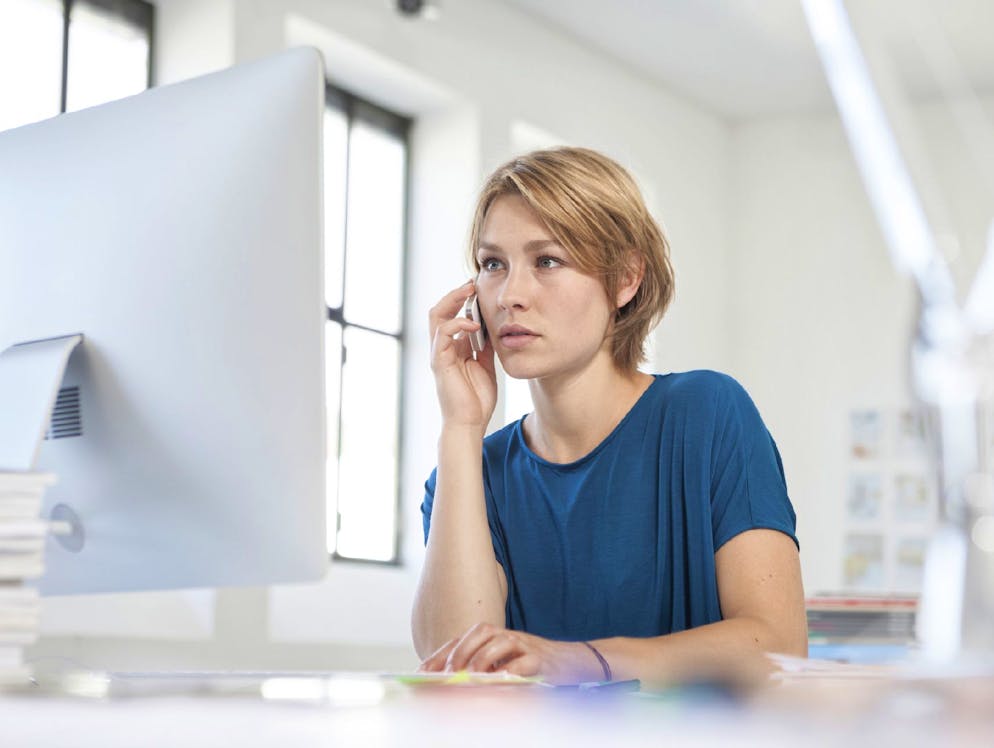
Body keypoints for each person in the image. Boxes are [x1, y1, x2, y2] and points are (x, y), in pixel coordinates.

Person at [411, 147, 806, 686]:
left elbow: (777, 643)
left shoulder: (708, 414)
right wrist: (459, 430)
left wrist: (577, 661)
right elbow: (456, 667)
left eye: (547, 261)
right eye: (492, 264)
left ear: (625, 279)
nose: (510, 295)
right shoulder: (466, 475)